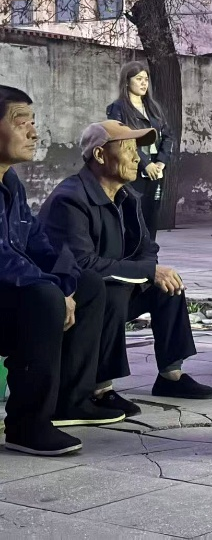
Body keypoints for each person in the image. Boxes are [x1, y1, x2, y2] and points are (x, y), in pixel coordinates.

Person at [40, 121, 212, 416]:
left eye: (138, 150)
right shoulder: (70, 199)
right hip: (75, 298)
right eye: (128, 149)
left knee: (169, 285)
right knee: (110, 292)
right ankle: (100, 388)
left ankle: (171, 375)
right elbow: (82, 264)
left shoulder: (127, 196)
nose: (137, 158)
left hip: (113, 283)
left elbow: (148, 249)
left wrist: (151, 272)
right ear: (99, 155)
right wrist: (145, 273)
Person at [0, 86, 124, 456]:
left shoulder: (11, 183)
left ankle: (71, 400)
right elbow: (3, 257)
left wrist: (66, 283)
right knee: (43, 297)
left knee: (88, 284)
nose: (33, 133)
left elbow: (39, 244)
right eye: (21, 122)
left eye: (33, 122)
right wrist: (53, 289)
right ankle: (27, 424)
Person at [106, 61, 173, 241]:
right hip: (132, 169)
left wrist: (160, 162)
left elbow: (168, 136)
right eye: (138, 79)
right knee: (134, 216)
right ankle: (133, 254)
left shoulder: (154, 108)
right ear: (127, 81)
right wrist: (145, 164)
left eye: (146, 79)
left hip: (156, 170)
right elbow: (123, 139)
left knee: (152, 215)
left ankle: (150, 253)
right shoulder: (117, 109)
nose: (144, 83)